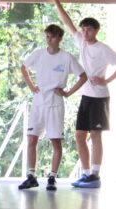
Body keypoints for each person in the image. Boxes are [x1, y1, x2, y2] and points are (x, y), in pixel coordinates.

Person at [48, 0, 116, 188]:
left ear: (96, 31)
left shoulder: (103, 49)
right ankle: (85, 174)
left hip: (100, 97)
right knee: (79, 135)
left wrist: (106, 80)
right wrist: (56, 1)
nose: (85, 32)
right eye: (83, 29)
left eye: (89, 29)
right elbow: (67, 23)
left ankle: (95, 174)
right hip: (86, 96)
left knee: (95, 134)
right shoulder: (81, 43)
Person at [18, 24, 86, 191]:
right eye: (47, 36)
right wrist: (31, 86)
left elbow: (83, 76)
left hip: (55, 102)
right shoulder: (39, 54)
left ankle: (52, 177)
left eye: (53, 36)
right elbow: (23, 67)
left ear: (59, 38)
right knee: (31, 138)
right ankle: (31, 176)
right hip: (39, 101)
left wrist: (68, 92)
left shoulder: (66, 57)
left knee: (55, 141)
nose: (49, 39)